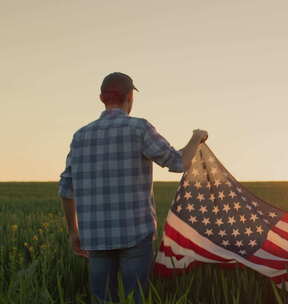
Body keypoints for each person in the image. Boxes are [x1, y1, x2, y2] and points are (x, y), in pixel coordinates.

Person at [58, 72, 208, 303]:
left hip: (95, 236)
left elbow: (67, 189)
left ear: (101, 98)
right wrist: (196, 138)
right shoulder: (139, 128)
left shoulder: (80, 136)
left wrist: (72, 231)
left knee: (102, 299)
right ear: (130, 96)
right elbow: (178, 163)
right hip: (135, 234)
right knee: (136, 297)